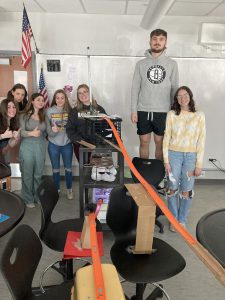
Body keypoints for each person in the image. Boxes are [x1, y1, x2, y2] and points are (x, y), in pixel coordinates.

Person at [131, 29, 179, 160]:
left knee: (160, 144)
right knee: (144, 142)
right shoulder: (140, 64)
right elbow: (135, 88)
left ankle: (158, 178)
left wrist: (175, 111)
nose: (157, 42)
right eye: (155, 39)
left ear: (165, 42)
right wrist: (133, 110)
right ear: (150, 41)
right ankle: (144, 177)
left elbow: (175, 88)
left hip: (163, 111)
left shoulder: (172, 64)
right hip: (143, 110)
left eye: (161, 39)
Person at [163, 86, 206, 231]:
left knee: (186, 189)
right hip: (173, 154)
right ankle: (173, 219)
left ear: (190, 96)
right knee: (172, 188)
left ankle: (182, 219)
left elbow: (201, 140)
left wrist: (199, 164)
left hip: (190, 157)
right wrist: (166, 160)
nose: (183, 98)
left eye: (185, 94)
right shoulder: (171, 115)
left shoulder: (199, 115)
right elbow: (166, 137)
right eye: (179, 96)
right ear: (176, 99)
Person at [19, 93, 57, 208]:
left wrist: (55, 129)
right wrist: (31, 133)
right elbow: (21, 132)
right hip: (27, 147)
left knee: (38, 174)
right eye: (38, 100)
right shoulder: (23, 115)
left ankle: (37, 197)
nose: (41, 102)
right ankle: (28, 198)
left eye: (42, 100)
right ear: (32, 101)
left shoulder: (43, 116)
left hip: (40, 146)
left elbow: (50, 133)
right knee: (27, 174)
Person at [66, 84, 106, 161]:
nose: (83, 94)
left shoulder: (100, 109)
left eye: (85, 92)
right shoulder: (74, 112)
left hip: (97, 146)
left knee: (97, 170)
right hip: (81, 146)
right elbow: (70, 130)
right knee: (85, 170)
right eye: (80, 93)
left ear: (90, 93)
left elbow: (106, 127)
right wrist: (82, 142)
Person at [46, 89, 73, 199]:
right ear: (54, 99)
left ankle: (69, 190)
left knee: (68, 168)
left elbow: (74, 127)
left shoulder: (71, 111)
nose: (60, 100)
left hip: (67, 144)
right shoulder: (48, 111)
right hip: (53, 144)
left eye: (62, 97)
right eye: (57, 98)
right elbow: (47, 129)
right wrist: (52, 130)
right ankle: (57, 189)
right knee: (55, 169)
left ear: (65, 99)